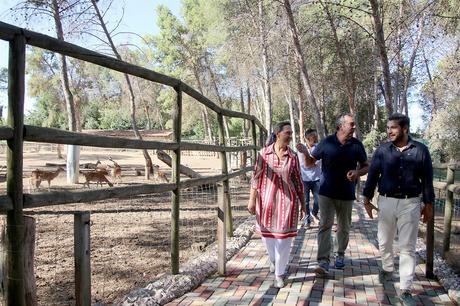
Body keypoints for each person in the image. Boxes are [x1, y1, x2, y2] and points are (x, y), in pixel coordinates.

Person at [362, 113, 434, 306]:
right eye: (388, 128)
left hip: (410, 204)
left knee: (407, 247)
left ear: (405, 128)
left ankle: (406, 289)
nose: (389, 131)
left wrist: (428, 205)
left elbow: (427, 180)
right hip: (385, 202)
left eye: (393, 127)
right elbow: (373, 175)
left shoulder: (421, 150)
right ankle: (387, 267)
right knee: (384, 242)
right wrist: (366, 198)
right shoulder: (382, 150)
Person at [297, 114, 368, 274]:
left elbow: (366, 166)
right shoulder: (326, 142)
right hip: (326, 193)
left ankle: (340, 254)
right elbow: (310, 163)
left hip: (347, 193)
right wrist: (304, 152)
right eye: (351, 124)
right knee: (325, 226)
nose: (354, 127)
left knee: (344, 227)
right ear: (341, 126)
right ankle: (323, 262)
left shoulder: (356, 145)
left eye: (354, 124)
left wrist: (357, 172)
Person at [248, 121, 306, 288]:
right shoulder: (263, 154)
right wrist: (252, 200)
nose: (290, 136)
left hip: (287, 204)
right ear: (277, 134)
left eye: (291, 133)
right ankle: (273, 260)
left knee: (283, 241)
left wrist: (303, 205)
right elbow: (256, 178)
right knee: (267, 238)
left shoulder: (293, 156)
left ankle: (279, 273)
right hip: (266, 203)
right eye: (287, 132)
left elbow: (298, 181)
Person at [297, 129, 321, 228]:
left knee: (318, 200)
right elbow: (304, 165)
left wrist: (309, 160)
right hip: (305, 179)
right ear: (307, 139)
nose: (316, 139)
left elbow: (313, 163)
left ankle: (314, 213)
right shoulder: (300, 150)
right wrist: (310, 161)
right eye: (313, 138)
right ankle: (307, 220)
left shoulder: (319, 148)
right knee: (305, 201)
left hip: (317, 179)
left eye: (316, 137)